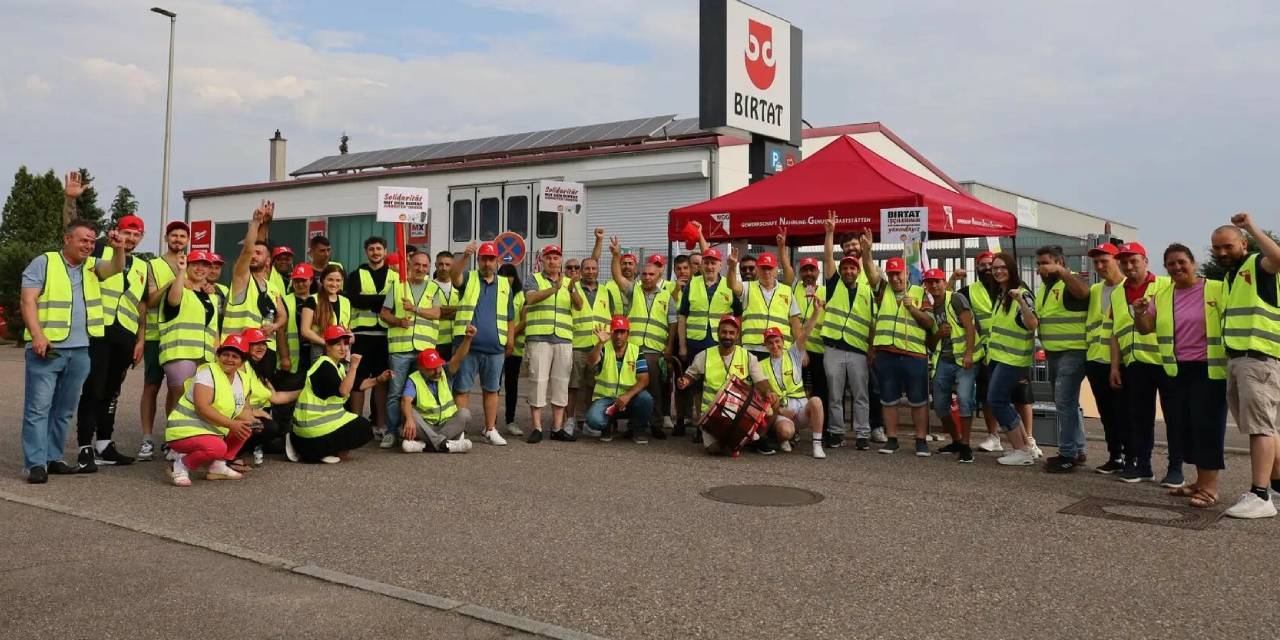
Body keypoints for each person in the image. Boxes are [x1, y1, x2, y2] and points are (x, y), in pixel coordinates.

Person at [19, 221, 126, 483]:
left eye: (91, 241)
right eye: (83, 240)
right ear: (67, 239)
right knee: (38, 408)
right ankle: (35, 463)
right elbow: (27, 299)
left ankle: (53, 458)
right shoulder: (44, 262)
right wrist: (37, 335)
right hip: (49, 348)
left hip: (80, 350)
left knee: (64, 409)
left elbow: (116, 267)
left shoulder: (92, 266)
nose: (89, 245)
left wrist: (119, 248)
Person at [1134, 244, 1226, 507]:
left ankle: (1210, 488)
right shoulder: (1162, 295)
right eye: (1171, 264)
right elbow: (1145, 329)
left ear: (1193, 262)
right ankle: (1198, 482)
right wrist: (1139, 312)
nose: (1176, 267)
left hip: (1209, 369)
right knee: (1185, 428)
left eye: (1181, 262)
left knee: (1207, 427)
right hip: (1175, 370)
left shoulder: (1217, 289)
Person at [1212, 215, 1280, 518]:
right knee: (1267, 427)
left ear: (1243, 243)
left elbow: (1278, 257)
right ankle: (1275, 486)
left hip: (1258, 358)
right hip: (1243, 359)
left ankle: (1260, 494)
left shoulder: (1258, 265)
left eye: (1228, 246)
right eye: (1217, 248)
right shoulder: (1232, 276)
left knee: (1260, 428)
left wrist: (1252, 227)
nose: (1222, 252)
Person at [74, 214, 147, 471]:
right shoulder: (98, 253)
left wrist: (140, 340)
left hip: (125, 337)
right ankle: (84, 447)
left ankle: (104, 445)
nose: (131, 238)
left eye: (136, 235)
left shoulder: (142, 266)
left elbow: (141, 305)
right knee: (93, 390)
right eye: (127, 232)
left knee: (112, 392)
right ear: (117, 232)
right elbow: (71, 231)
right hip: (98, 331)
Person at [1107, 242, 1170, 483]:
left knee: (1173, 418)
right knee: (1140, 418)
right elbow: (1115, 331)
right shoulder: (1117, 292)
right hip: (1135, 364)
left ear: (1145, 261)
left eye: (1134, 260)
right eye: (1124, 261)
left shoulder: (1164, 285)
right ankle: (1143, 465)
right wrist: (1115, 366)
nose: (1129, 265)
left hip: (1164, 361)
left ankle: (1175, 468)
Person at [165, 335, 260, 486]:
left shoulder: (242, 379)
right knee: (217, 447)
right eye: (225, 354)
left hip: (210, 429)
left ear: (242, 361)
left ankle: (218, 466)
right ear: (218, 355)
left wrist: (253, 422)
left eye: (235, 356)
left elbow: (239, 410)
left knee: (245, 427)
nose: (229, 359)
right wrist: (232, 424)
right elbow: (202, 408)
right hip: (183, 431)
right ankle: (180, 465)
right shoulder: (207, 372)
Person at [676, 316, 777, 455]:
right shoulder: (704, 355)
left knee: (772, 406)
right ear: (718, 332)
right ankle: (742, 438)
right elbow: (690, 375)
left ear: (737, 335)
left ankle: (755, 439)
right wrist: (685, 381)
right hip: (712, 414)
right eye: (724, 332)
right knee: (716, 449)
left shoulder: (748, 357)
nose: (727, 336)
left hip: (740, 411)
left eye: (731, 333)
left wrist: (768, 392)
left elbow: (760, 381)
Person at [289, 325, 388, 464]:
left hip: (314, 426)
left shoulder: (337, 365)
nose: (343, 348)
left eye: (345, 343)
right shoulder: (324, 365)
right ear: (327, 346)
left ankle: (318, 450)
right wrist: (353, 366)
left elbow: (357, 384)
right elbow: (344, 391)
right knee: (362, 427)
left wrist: (378, 380)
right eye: (337, 344)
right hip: (311, 428)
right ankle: (316, 451)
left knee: (360, 425)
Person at [450, 241, 516, 445]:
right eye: (483, 259)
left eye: (491, 259)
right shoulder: (469, 277)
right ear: (478, 260)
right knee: (462, 389)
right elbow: (454, 276)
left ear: (497, 261)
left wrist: (510, 339)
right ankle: (459, 431)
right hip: (466, 346)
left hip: (495, 348)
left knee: (492, 389)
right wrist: (464, 257)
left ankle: (490, 429)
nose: (487, 263)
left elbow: (510, 316)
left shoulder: (505, 284)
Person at [610, 236, 676, 441]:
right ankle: (633, 425)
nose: (647, 277)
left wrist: (669, 347)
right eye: (645, 274)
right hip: (634, 349)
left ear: (659, 276)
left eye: (651, 274)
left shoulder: (666, 296)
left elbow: (673, 324)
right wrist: (615, 256)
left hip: (655, 351)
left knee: (655, 390)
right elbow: (617, 277)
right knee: (633, 388)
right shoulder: (634, 290)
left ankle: (655, 424)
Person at [1034, 245, 1092, 473]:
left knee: (1064, 402)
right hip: (1053, 353)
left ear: (1059, 262)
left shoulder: (1070, 281)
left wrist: (1063, 273)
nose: (1041, 268)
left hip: (1073, 351)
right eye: (1038, 264)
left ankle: (1067, 454)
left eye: (1045, 263)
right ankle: (1077, 449)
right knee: (1066, 403)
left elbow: (1084, 293)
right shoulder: (1045, 289)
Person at [870, 255, 936, 456]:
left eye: (898, 273)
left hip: (914, 355)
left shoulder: (920, 292)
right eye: (890, 274)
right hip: (887, 354)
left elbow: (930, 322)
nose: (895, 278)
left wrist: (912, 308)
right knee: (888, 399)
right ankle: (892, 439)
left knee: (919, 400)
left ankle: (920, 440)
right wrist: (867, 251)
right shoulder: (882, 291)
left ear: (907, 273)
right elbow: (870, 272)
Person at [820, 222, 877, 450]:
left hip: (858, 352)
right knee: (835, 395)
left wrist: (871, 348)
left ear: (858, 270)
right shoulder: (833, 285)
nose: (848, 271)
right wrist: (830, 233)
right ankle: (836, 432)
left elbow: (872, 323)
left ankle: (863, 434)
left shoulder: (867, 291)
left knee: (860, 395)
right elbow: (827, 259)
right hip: (833, 349)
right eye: (845, 268)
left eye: (852, 268)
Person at [382, 250, 447, 446]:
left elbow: (436, 313)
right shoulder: (398, 286)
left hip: (424, 352)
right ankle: (392, 431)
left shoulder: (434, 288)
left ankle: (415, 431)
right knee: (395, 392)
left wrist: (415, 309)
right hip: (400, 350)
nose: (420, 269)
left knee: (419, 394)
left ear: (429, 268)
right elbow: (384, 314)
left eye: (424, 266)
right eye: (417, 265)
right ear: (409, 265)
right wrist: (397, 321)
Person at [138, 219, 190, 460]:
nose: (178, 239)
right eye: (174, 235)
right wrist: (175, 280)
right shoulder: (154, 265)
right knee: (151, 387)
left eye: (182, 236)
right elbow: (150, 300)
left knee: (175, 388)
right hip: (155, 335)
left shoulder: (192, 265)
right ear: (166, 238)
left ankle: (172, 437)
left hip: (179, 335)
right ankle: (147, 439)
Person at [523, 243, 583, 442]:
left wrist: (572, 288)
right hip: (539, 338)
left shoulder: (570, 282)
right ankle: (537, 427)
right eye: (549, 257)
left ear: (561, 261)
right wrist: (553, 289)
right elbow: (530, 299)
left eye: (556, 257)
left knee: (561, 383)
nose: (552, 261)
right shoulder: (534, 279)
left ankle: (557, 428)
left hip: (563, 339)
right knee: (537, 382)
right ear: (542, 260)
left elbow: (579, 305)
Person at [986, 253, 1040, 466]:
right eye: (995, 268)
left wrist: (1020, 301)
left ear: (1011, 269)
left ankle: (1022, 450)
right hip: (1000, 357)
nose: (998, 271)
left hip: (1013, 358)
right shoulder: (1001, 294)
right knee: (1001, 401)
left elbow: (1032, 323)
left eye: (1002, 267)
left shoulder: (1021, 294)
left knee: (997, 401)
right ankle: (1025, 447)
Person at [222, 203, 287, 374]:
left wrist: (274, 327)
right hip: (239, 348)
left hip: (265, 349)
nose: (254, 255)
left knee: (262, 396)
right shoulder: (242, 277)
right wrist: (256, 223)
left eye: (260, 254)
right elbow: (248, 250)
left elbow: (283, 316)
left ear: (268, 260)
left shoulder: (271, 286)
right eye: (253, 252)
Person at [923, 267, 979, 464]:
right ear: (926, 286)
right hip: (944, 361)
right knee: (939, 403)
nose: (934, 285)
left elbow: (969, 327)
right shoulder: (931, 308)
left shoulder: (955, 299)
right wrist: (939, 334)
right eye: (930, 282)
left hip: (963, 359)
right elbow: (930, 343)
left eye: (937, 281)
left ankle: (965, 444)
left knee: (964, 398)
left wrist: (969, 353)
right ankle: (956, 440)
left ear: (942, 281)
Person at [1083, 243, 1128, 474]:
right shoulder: (1094, 290)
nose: (1100, 266)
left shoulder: (1128, 288)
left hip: (1122, 362)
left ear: (1117, 260)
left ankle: (1132, 457)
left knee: (1125, 412)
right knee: (1107, 413)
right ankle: (1115, 456)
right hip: (1096, 360)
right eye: (1096, 262)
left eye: (1104, 261)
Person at [158, 250, 222, 410]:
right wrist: (180, 273)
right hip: (180, 354)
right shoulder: (179, 287)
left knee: (196, 400)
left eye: (205, 265)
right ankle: (175, 433)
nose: (200, 268)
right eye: (196, 264)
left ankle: (183, 432)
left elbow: (213, 328)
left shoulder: (212, 296)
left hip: (204, 356)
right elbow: (173, 301)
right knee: (182, 398)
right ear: (188, 266)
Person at [345, 236, 394, 440]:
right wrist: (382, 300)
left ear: (385, 251)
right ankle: (356, 423)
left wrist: (370, 300)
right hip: (361, 335)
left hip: (385, 335)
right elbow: (355, 299)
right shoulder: (357, 274)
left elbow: (397, 301)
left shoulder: (394, 275)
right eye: (372, 249)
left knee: (381, 381)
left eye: (379, 249)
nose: (375, 252)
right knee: (358, 380)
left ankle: (380, 424)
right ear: (366, 252)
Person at [955, 251, 1004, 454]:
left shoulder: (1009, 287)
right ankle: (994, 436)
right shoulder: (969, 291)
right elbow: (947, 302)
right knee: (987, 396)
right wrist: (951, 280)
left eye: (990, 264)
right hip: (985, 353)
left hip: (1011, 349)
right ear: (976, 268)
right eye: (982, 265)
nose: (986, 268)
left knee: (1020, 397)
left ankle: (1028, 438)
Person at [400, 329, 478, 454]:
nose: (437, 371)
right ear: (421, 368)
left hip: (447, 425)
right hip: (426, 426)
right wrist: (409, 419)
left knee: (464, 414)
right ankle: (447, 444)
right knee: (409, 414)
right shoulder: (414, 379)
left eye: (438, 366)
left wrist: (468, 339)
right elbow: (406, 400)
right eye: (432, 369)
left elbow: (459, 357)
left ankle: (425, 445)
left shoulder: (445, 371)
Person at [233, 328, 302, 468]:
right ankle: (233, 453)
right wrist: (252, 411)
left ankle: (286, 441)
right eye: (255, 344)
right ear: (246, 346)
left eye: (263, 344)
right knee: (270, 427)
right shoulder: (240, 366)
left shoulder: (258, 369)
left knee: (282, 419)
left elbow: (276, 397)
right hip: (238, 416)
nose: (261, 347)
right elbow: (233, 399)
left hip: (257, 414)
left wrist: (304, 392)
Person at [761, 315, 827, 459]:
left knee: (816, 401)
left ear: (783, 342)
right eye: (770, 343)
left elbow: (805, 333)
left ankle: (817, 445)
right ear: (766, 345)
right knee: (786, 431)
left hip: (801, 410)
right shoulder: (761, 366)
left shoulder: (793, 354)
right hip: (782, 412)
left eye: (777, 341)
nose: (774, 346)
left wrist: (816, 312)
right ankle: (785, 438)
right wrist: (780, 411)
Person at [584, 316, 653, 443]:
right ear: (611, 333)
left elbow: (644, 380)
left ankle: (638, 430)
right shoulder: (604, 348)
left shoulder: (637, 351)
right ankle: (607, 426)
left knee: (646, 399)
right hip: (606, 399)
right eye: (616, 332)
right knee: (593, 420)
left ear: (628, 334)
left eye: (622, 332)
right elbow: (590, 361)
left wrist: (627, 396)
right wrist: (600, 343)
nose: (619, 336)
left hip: (629, 399)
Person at [566, 230, 608, 436]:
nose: (591, 271)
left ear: (598, 271)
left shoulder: (606, 290)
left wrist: (599, 241)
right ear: (581, 272)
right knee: (573, 386)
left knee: (593, 386)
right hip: (577, 345)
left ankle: (589, 421)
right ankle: (570, 420)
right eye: (587, 268)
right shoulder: (572, 288)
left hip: (598, 347)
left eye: (594, 268)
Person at [499, 263, 526, 436]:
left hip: (513, 348)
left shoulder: (521, 296)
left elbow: (524, 321)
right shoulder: (495, 293)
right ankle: (490, 423)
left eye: (510, 276)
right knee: (493, 386)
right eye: (503, 275)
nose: (507, 279)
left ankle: (510, 421)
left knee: (511, 386)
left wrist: (509, 338)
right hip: (495, 346)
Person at [433, 250, 459, 362]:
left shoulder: (459, 287)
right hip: (436, 342)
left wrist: (442, 311)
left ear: (453, 266)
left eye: (447, 265)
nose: (444, 268)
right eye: (441, 264)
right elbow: (435, 312)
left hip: (457, 341)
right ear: (435, 265)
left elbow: (467, 311)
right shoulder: (429, 286)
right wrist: (458, 310)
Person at [602, 250, 638, 317]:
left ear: (636, 268)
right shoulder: (608, 286)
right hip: (614, 325)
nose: (627, 266)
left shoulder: (640, 287)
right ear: (618, 267)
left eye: (630, 264)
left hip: (634, 325)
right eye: (624, 263)